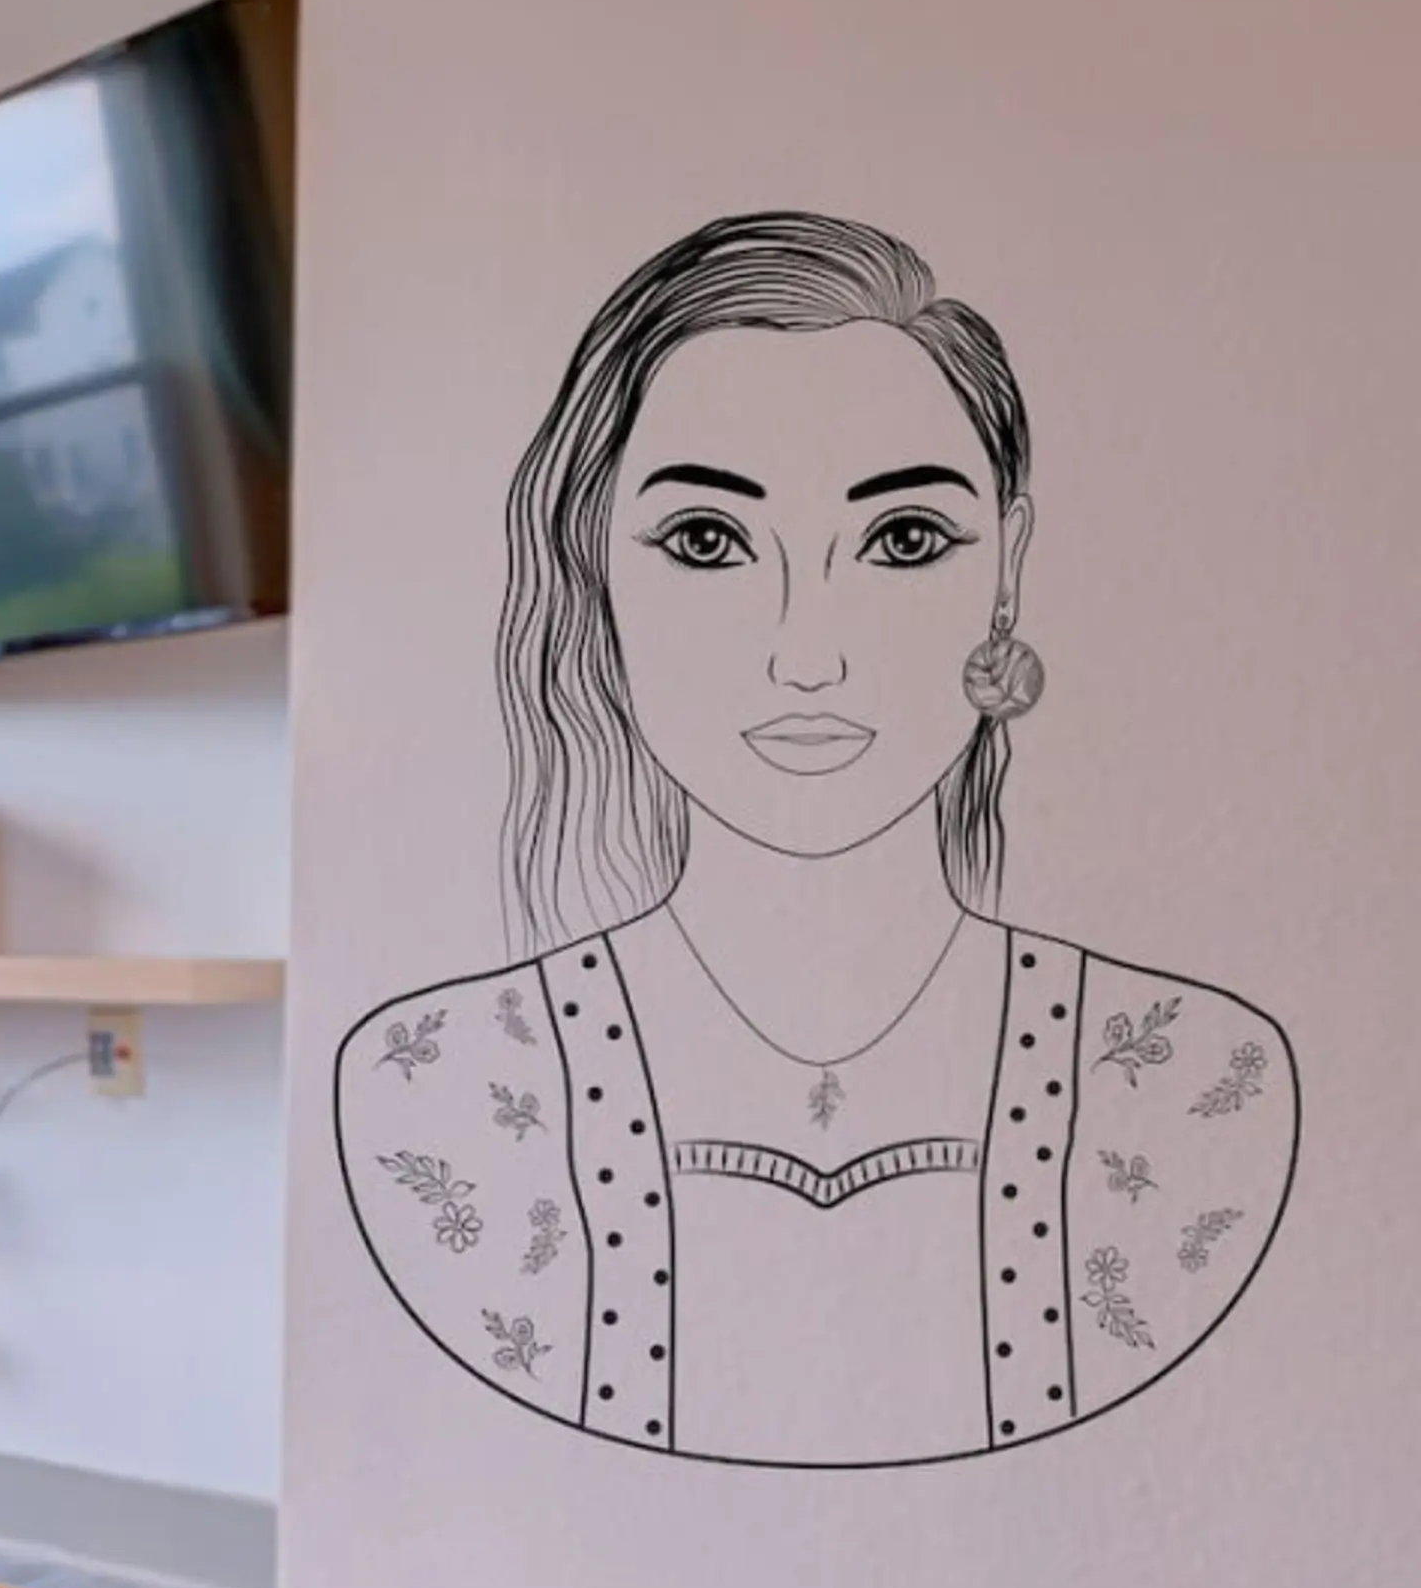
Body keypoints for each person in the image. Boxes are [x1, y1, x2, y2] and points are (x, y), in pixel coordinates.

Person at [337, 212, 1294, 1467]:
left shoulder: (1194, 1080)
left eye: (905, 540)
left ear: (1007, 569)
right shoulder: (436, 1087)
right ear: (595, 568)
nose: (808, 656)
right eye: (706, 541)